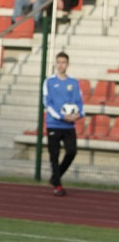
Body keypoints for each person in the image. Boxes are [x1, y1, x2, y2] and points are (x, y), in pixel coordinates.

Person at [42, 51, 82, 195]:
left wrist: (78, 114)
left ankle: (55, 177)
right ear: (55, 64)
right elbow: (46, 102)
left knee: (72, 151)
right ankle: (58, 186)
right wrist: (61, 116)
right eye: (58, 62)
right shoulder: (49, 82)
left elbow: (79, 102)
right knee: (54, 155)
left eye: (63, 62)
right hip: (54, 124)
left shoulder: (73, 82)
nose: (60, 65)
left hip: (69, 125)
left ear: (68, 64)